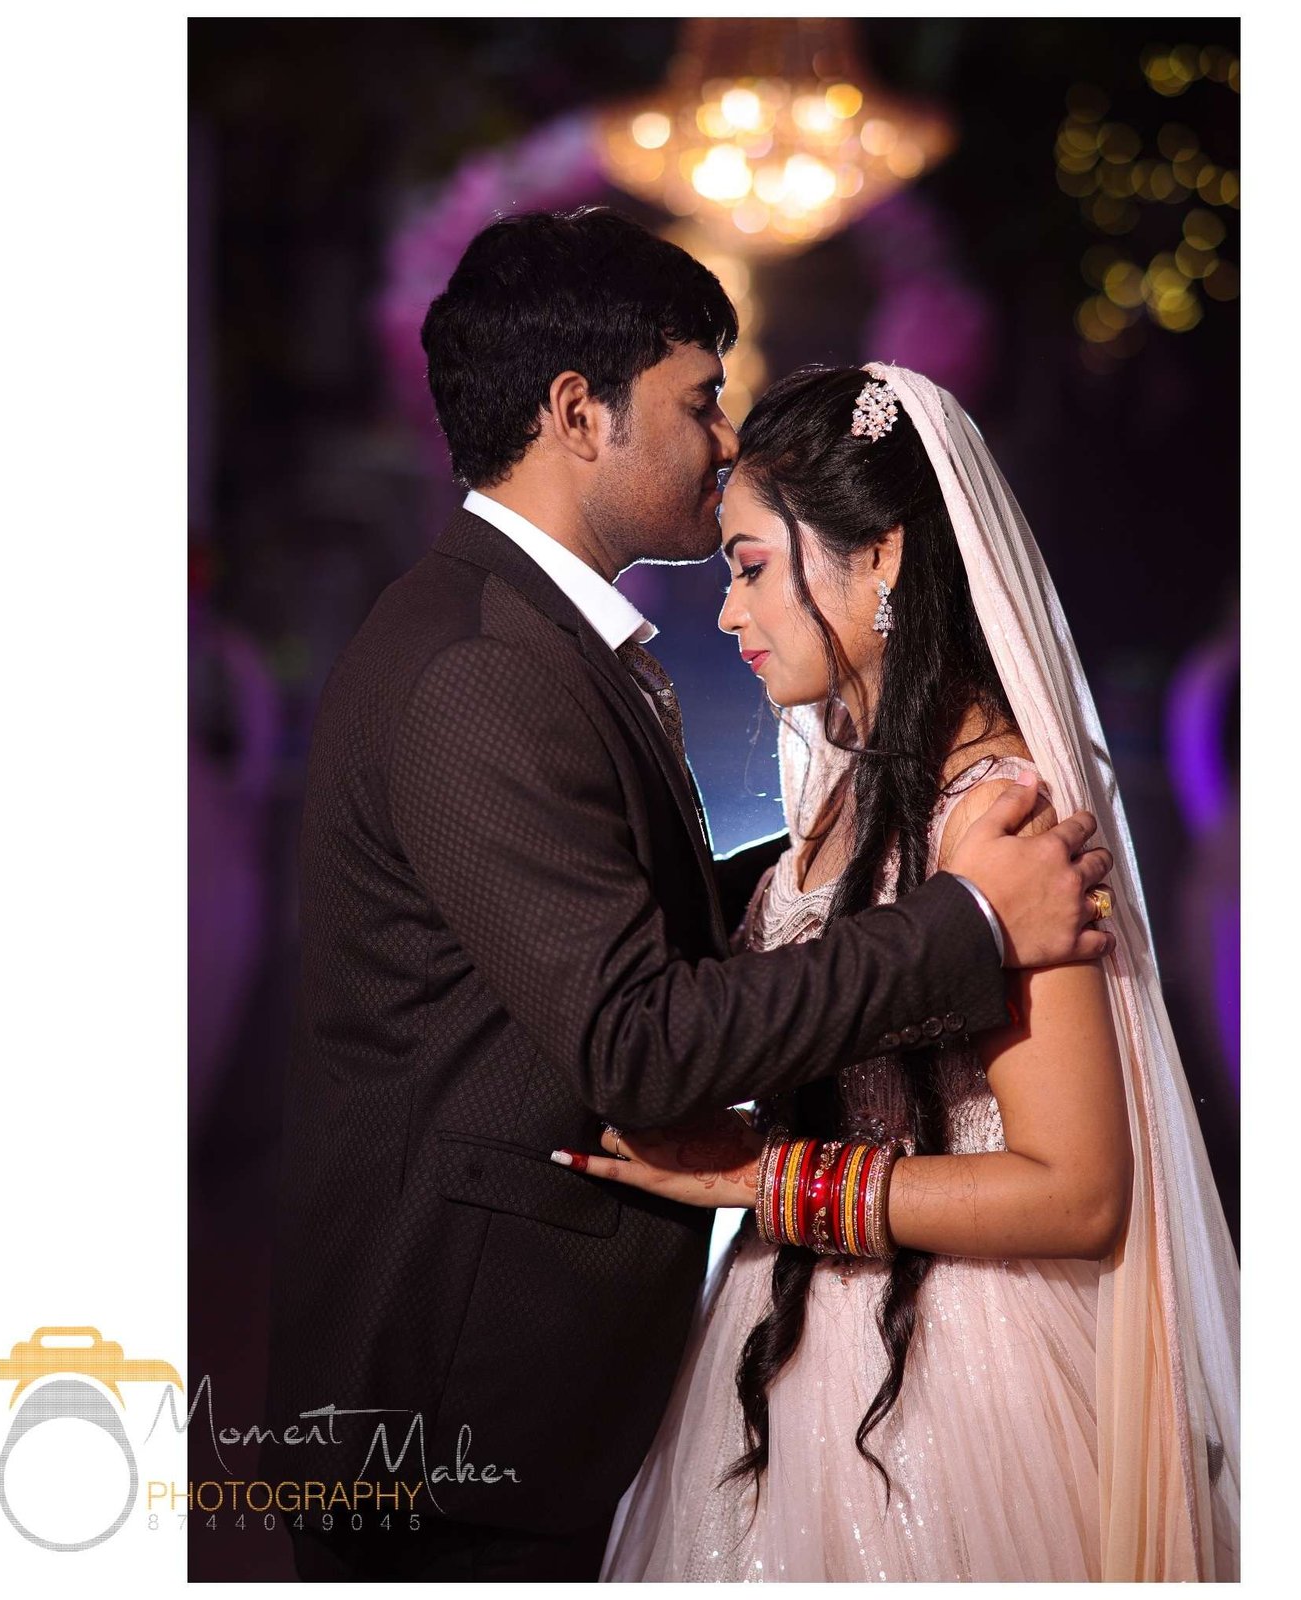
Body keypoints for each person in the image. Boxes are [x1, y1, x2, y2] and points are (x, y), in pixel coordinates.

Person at [260, 212, 1117, 1582]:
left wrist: (846, 879)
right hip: (454, 1392)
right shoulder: (484, 664)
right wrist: (963, 920)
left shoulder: (518, 634)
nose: (724, 439)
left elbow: (610, 913)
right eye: (700, 397)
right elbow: (636, 1038)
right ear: (576, 412)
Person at [592, 364, 1240, 1582]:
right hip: (793, 1341)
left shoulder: (998, 812)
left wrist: (763, 1179)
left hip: (954, 1374)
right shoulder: (853, 785)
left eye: (750, 567)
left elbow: (1078, 1191)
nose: (727, 615)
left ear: (880, 556)